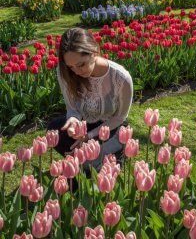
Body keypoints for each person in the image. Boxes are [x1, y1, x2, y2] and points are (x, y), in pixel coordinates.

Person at [47, 27, 133, 172]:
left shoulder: (120, 77)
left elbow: (119, 118)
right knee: (54, 130)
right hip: (85, 123)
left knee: (88, 156)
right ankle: (88, 162)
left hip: (111, 126)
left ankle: (106, 157)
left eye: (81, 64)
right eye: (71, 67)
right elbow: (72, 108)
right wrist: (73, 120)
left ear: (94, 51)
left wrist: (89, 136)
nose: (77, 71)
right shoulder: (66, 73)